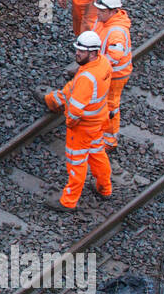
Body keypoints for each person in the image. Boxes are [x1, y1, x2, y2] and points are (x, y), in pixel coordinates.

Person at [42, 30, 112, 211]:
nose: (77, 53)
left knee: (76, 162)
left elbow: (74, 111)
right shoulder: (103, 63)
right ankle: (104, 188)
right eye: (77, 49)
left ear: (93, 52)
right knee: (97, 154)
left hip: (83, 128)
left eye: (82, 51)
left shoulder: (86, 79)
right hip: (98, 121)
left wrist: (70, 124)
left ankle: (68, 202)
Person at [91, 0, 132, 150]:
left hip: (115, 75)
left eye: (101, 10)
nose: (98, 13)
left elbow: (115, 55)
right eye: (98, 9)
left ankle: (109, 141)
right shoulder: (103, 20)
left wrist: (96, 67)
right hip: (105, 71)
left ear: (113, 11)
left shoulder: (116, 31)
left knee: (110, 106)